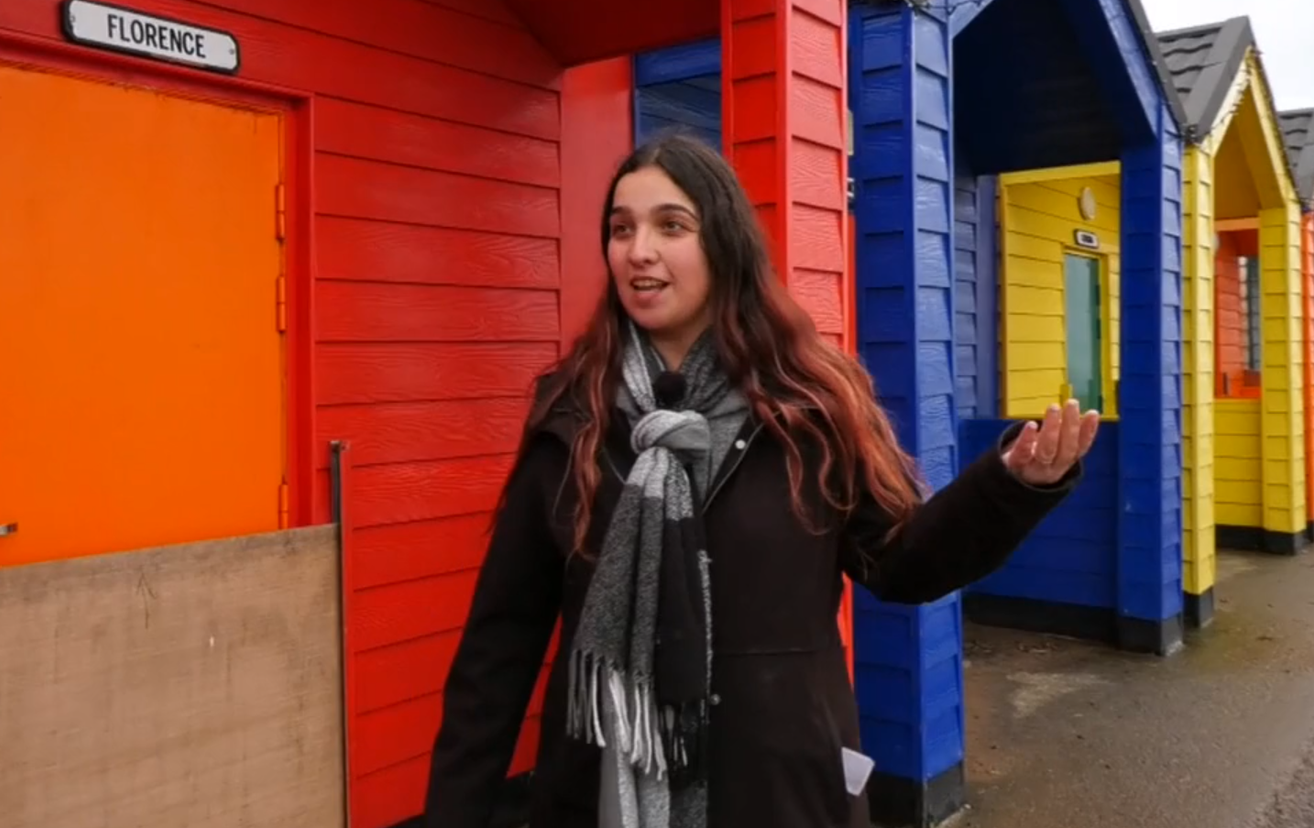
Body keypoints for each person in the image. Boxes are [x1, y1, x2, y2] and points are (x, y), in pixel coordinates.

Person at [422, 133, 1099, 828]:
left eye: (670, 226)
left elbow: (899, 562)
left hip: (781, 791)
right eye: (620, 229)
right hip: (602, 797)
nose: (638, 250)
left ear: (725, 244)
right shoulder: (574, 416)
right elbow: (499, 647)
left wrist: (1010, 487)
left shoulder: (810, 405)